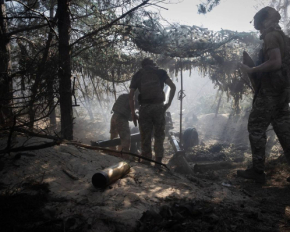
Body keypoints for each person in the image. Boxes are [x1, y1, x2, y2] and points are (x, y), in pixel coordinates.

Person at [238, 6, 290, 183]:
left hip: (270, 92)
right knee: (284, 130)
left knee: (256, 128)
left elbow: (275, 62)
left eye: (259, 24)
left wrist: (252, 70)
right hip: (283, 92)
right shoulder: (284, 38)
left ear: (263, 22)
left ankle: (257, 171)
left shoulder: (271, 36)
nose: (258, 28)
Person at [129, 58, 176, 166]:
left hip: (144, 108)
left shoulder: (138, 75)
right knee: (159, 135)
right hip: (159, 107)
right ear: (153, 64)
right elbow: (173, 86)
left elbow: (131, 95)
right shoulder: (160, 72)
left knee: (145, 135)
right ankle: (158, 162)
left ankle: (147, 160)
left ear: (142, 65)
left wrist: (133, 113)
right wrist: (168, 103)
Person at [110, 93, 132, 158]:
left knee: (113, 137)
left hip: (114, 117)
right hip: (121, 119)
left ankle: (112, 154)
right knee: (126, 139)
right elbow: (130, 116)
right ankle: (125, 157)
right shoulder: (132, 99)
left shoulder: (123, 96)